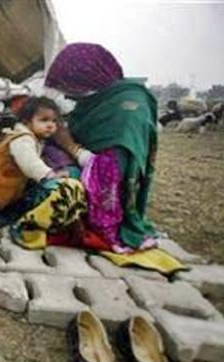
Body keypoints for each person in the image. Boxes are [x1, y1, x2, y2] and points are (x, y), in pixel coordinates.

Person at [45, 43, 158, 252]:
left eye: (71, 90)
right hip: (85, 173)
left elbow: (109, 174)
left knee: (54, 184)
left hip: (109, 201)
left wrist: (69, 145)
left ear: (87, 80)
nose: (68, 97)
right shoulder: (100, 102)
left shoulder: (127, 111)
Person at [0, 96, 87, 249]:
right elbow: (29, 162)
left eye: (54, 121)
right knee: (55, 188)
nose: (51, 126)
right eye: (44, 120)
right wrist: (48, 175)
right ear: (27, 121)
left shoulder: (31, 138)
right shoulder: (23, 139)